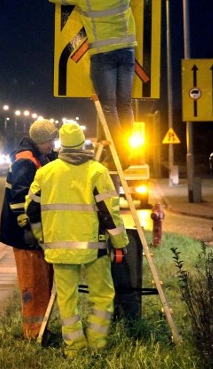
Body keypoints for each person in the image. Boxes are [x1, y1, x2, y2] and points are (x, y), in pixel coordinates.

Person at [46, 0, 161, 166]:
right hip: (127, 52)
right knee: (125, 104)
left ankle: (119, 154)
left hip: (101, 56)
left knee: (108, 107)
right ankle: (126, 151)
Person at [25, 122, 128, 357]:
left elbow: (31, 209)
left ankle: (74, 348)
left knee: (67, 300)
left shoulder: (46, 172)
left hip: (59, 249)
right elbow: (109, 214)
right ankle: (97, 344)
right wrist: (120, 243)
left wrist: (43, 238)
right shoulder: (97, 171)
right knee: (102, 296)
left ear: (61, 145)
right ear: (83, 143)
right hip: (96, 248)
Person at [0, 118, 58, 339]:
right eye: (50, 141)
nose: (53, 145)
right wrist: (28, 228)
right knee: (33, 283)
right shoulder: (26, 161)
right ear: (40, 141)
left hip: (31, 233)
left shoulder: (38, 157)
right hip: (24, 235)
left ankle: (40, 329)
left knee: (42, 281)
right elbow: (19, 200)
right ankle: (33, 333)